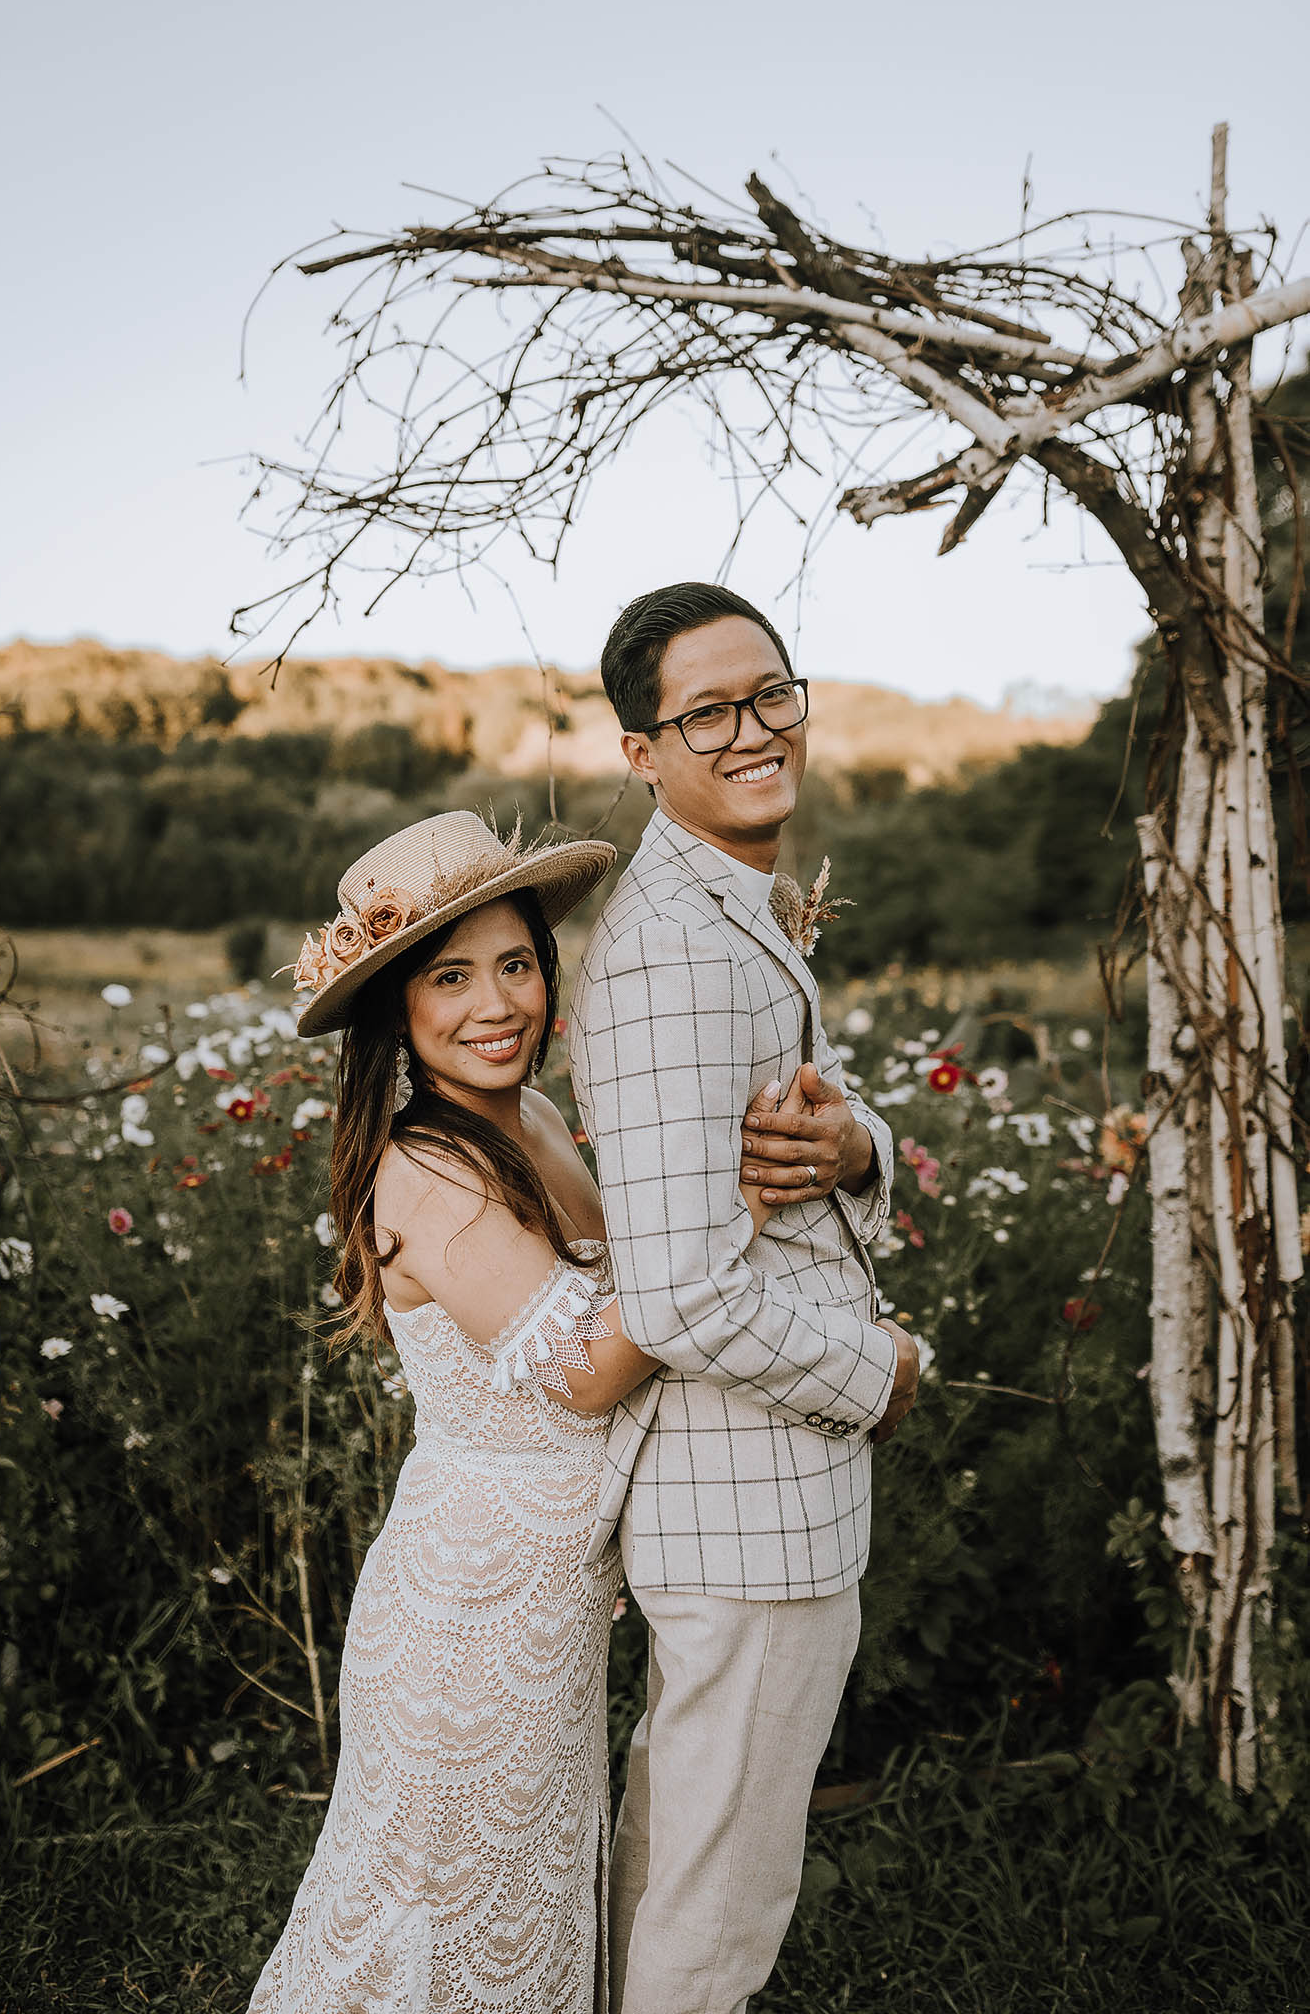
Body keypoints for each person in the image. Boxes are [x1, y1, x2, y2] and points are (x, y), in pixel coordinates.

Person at [248, 809, 787, 2014]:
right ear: (397, 1005)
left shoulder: (534, 1122)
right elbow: (592, 1366)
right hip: (468, 1608)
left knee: (533, 1890)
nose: (497, 1002)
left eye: (517, 963)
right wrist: (731, 1221)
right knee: (442, 1904)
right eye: (450, 974)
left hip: (551, 1594)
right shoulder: (427, 1164)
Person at [569, 582, 921, 2014]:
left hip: (762, 1500)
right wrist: (878, 1372)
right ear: (642, 752)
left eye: (770, 691)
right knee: (712, 1910)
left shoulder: (734, 907)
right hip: (744, 1507)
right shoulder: (669, 953)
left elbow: (791, 1154)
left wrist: (860, 1145)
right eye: (704, 710)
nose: (753, 728)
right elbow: (679, 1295)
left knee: (689, 1864)